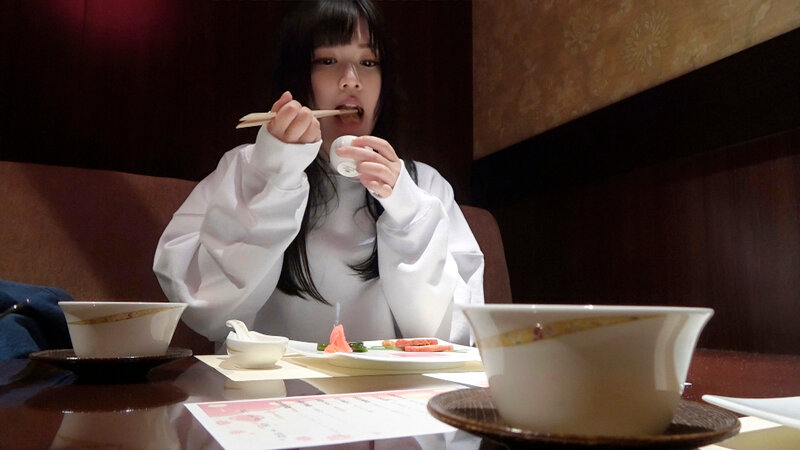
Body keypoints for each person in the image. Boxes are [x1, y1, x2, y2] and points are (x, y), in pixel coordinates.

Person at [153, 0, 484, 347]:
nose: (351, 80)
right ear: (298, 77)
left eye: (368, 62)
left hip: (383, 381)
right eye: (327, 61)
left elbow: (452, 335)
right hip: (267, 381)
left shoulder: (423, 185)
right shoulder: (248, 167)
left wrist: (407, 209)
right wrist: (274, 176)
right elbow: (206, 310)